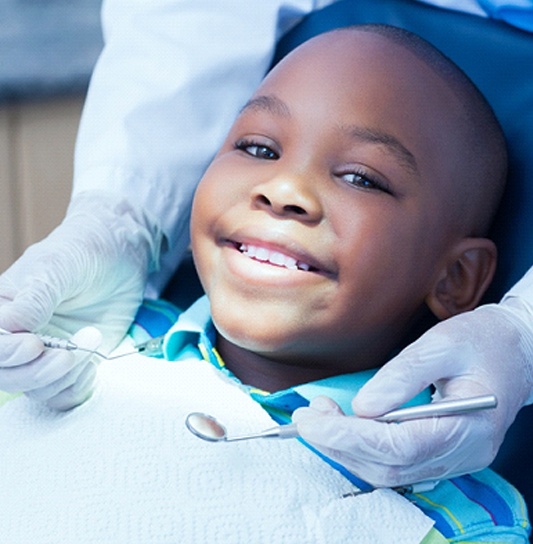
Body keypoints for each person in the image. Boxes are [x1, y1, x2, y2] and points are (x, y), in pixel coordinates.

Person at [1, 24, 529, 543]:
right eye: (258, 148)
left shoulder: (458, 517)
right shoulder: (77, 349)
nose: (284, 189)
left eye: (361, 178)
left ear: (455, 278)